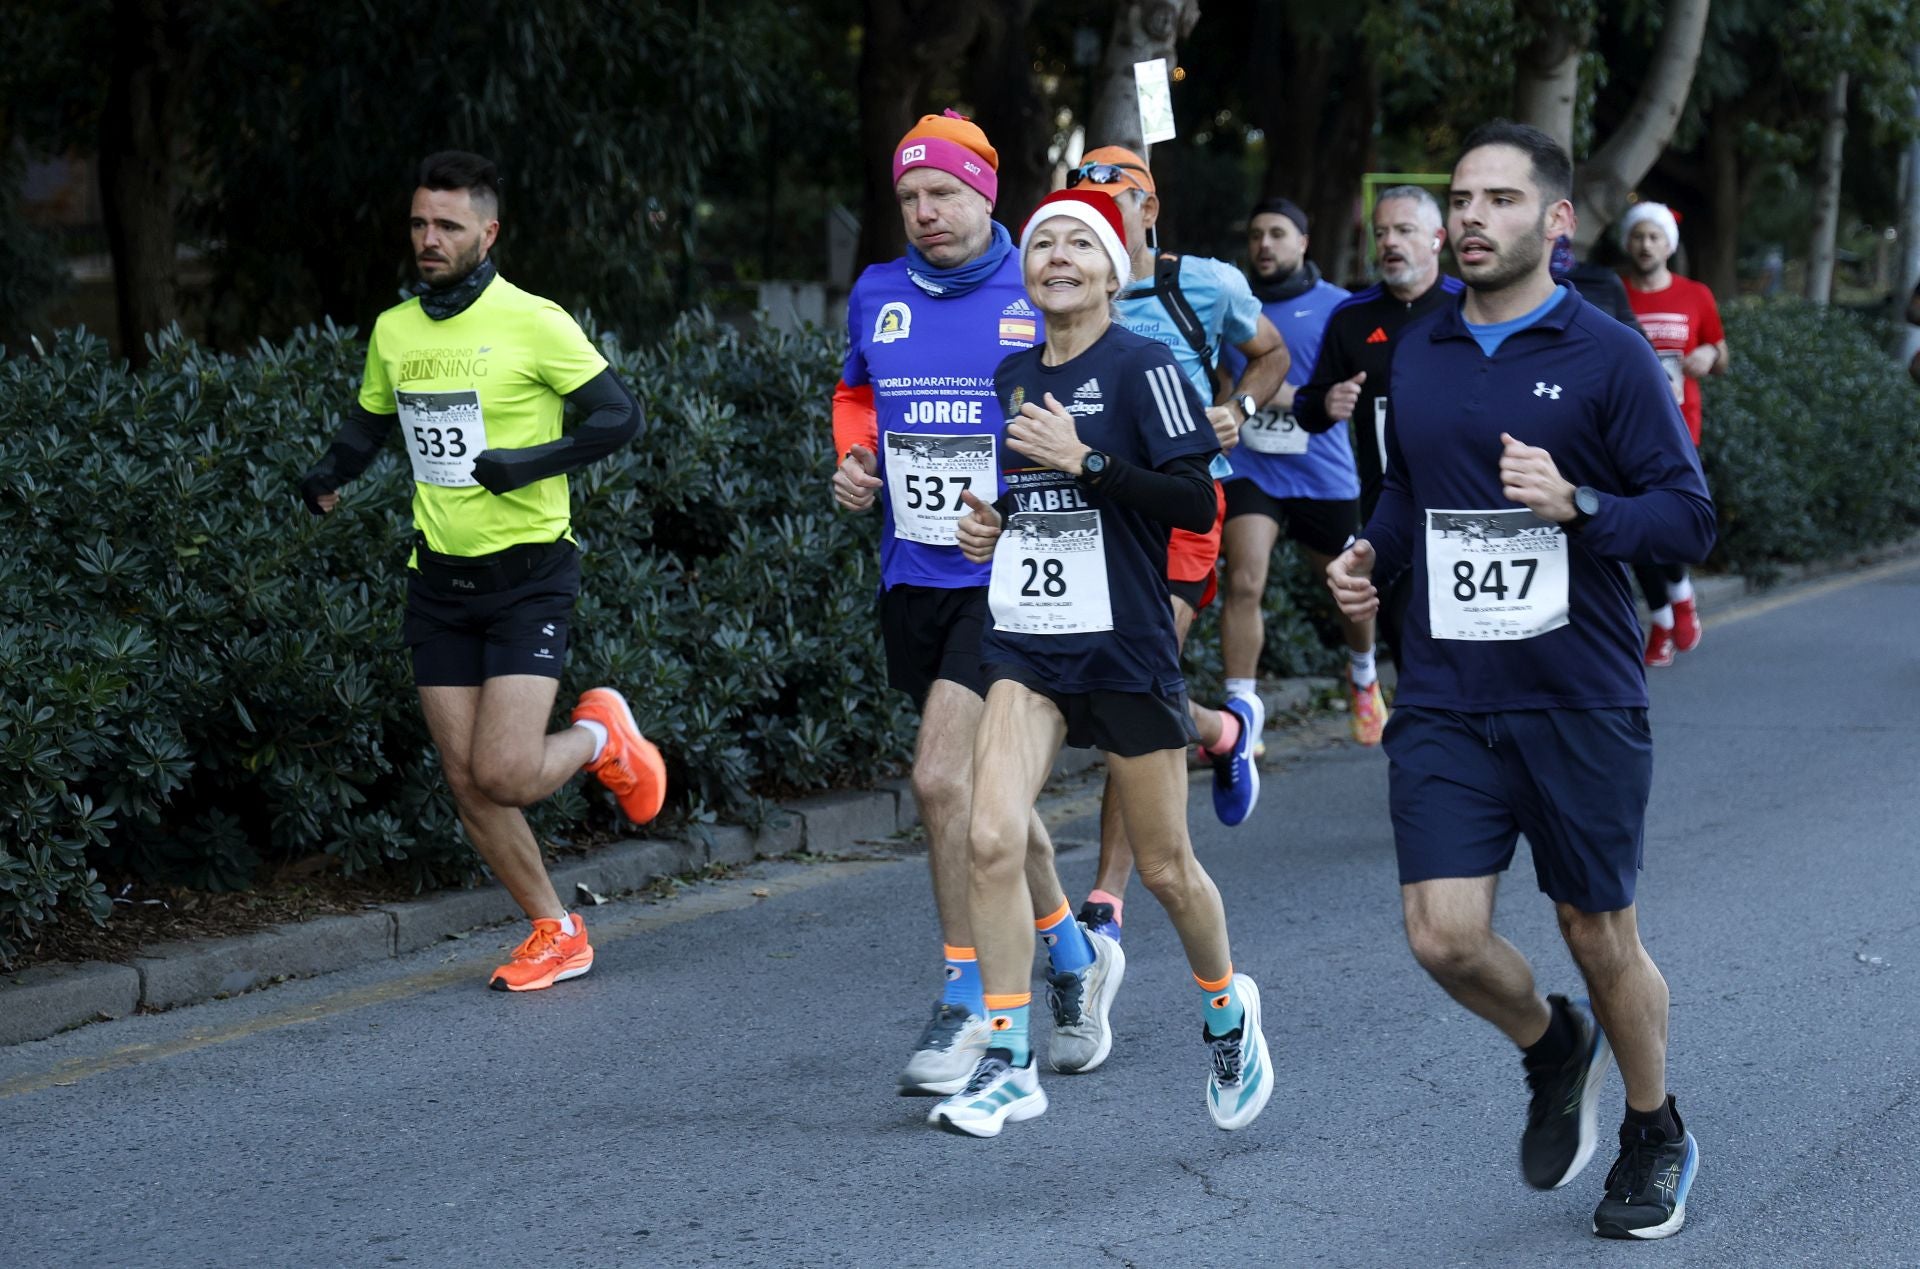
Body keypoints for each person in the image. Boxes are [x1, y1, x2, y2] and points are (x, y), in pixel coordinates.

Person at [1327, 120, 1714, 1239]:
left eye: (1499, 200)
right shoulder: (1423, 347)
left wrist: (1581, 505)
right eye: (1460, 199)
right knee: (1441, 936)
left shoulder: (1608, 356)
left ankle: (1654, 1129)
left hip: (1579, 692)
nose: (1469, 219)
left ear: (1557, 222)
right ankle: (1554, 1046)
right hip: (1447, 692)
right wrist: (1370, 555)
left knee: (1598, 932)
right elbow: (1409, 492)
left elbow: (1688, 514)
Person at [931, 187, 1273, 1138]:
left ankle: (1224, 1005)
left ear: (1112, 270)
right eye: (1044, 245)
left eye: (1081, 244)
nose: (1058, 258)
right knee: (991, 835)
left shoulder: (1145, 365)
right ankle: (1009, 1057)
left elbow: (1195, 507)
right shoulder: (1010, 373)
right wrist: (992, 523)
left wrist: (1086, 462)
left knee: (1165, 867)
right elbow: (1025, 497)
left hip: (1124, 642)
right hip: (1027, 638)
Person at [300, 151, 664, 992]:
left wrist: (530, 461)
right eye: (420, 224)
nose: (429, 240)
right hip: (438, 580)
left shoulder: (534, 320)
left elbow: (619, 417)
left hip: (529, 578)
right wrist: (327, 476)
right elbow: (369, 426)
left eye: (448, 226)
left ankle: (602, 735)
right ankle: (556, 928)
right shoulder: (396, 329)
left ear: (487, 232)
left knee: (503, 770)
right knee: (468, 782)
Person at [829, 112, 1098, 1097]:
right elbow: (857, 395)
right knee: (987, 803)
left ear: (987, 191)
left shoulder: (1040, 285)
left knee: (940, 782)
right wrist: (852, 461)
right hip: (915, 579)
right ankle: (1069, 952)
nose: (924, 212)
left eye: (941, 192)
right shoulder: (878, 292)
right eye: (908, 196)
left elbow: (1096, 405)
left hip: (1014, 580)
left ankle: (967, 998)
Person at [1062, 147, 1289, 950]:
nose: (1092, 223)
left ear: (1147, 211)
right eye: (1078, 208)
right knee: (1103, 682)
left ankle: (1105, 900)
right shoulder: (1060, 290)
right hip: (1088, 506)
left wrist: (1238, 407)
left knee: (1130, 678)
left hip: (1184, 505)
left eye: (1114, 205)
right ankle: (1222, 732)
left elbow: (1270, 353)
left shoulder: (1209, 284)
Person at [1218, 197, 1381, 746]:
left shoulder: (1340, 307)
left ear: (1303, 243)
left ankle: (1363, 676)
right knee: (1244, 580)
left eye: (1278, 234)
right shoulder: (1230, 304)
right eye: (1256, 234)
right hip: (1251, 466)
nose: (1264, 244)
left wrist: (1296, 397)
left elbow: (1352, 388)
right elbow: (1223, 384)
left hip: (1322, 469)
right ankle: (1242, 710)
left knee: (1348, 587)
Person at [1294, 186, 1464, 686]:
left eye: (1404, 231)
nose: (1389, 242)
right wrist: (1327, 403)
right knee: (1408, 641)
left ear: (1436, 239)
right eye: (1382, 232)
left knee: (1467, 646)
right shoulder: (1352, 316)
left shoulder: (1472, 306)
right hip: (1391, 512)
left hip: (1466, 502)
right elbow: (1308, 406)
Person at [1619, 200, 1728, 667]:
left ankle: (1680, 595)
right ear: (1628, 243)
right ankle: (1663, 617)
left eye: (1654, 237)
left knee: (1671, 518)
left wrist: (1707, 354)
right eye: (1639, 236)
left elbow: (1722, 353)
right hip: (1624, 430)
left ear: (1669, 245)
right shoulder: (1615, 294)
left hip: (1681, 430)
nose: (1646, 245)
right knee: (1634, 527)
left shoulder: (1695, 295)